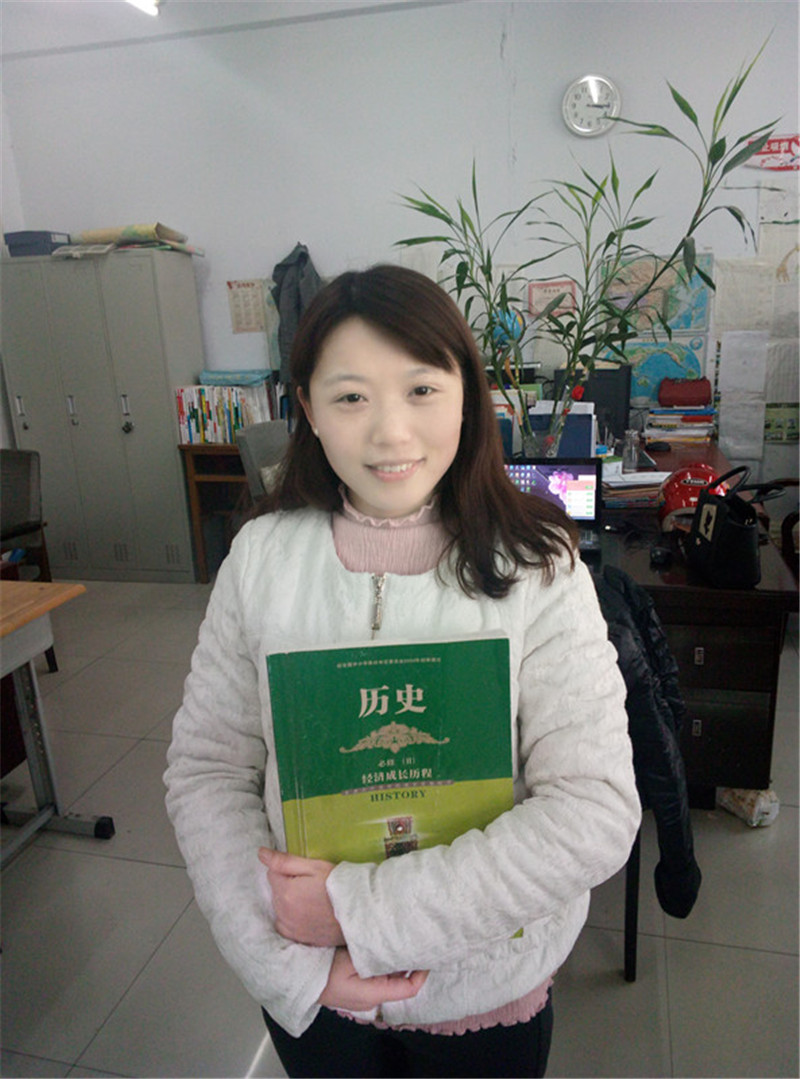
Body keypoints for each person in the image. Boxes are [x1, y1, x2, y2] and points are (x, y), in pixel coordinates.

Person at [164, 264, 641, 1078]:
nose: (390, 432)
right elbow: (208, 771)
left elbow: (593, 809)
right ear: (308, 409)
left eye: (421, 389)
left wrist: (358, 912)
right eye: (351, 396)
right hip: (315, 996)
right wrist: (292, 964)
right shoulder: (260, 562)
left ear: (467, 398)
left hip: (484, 994)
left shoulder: (539, 565)